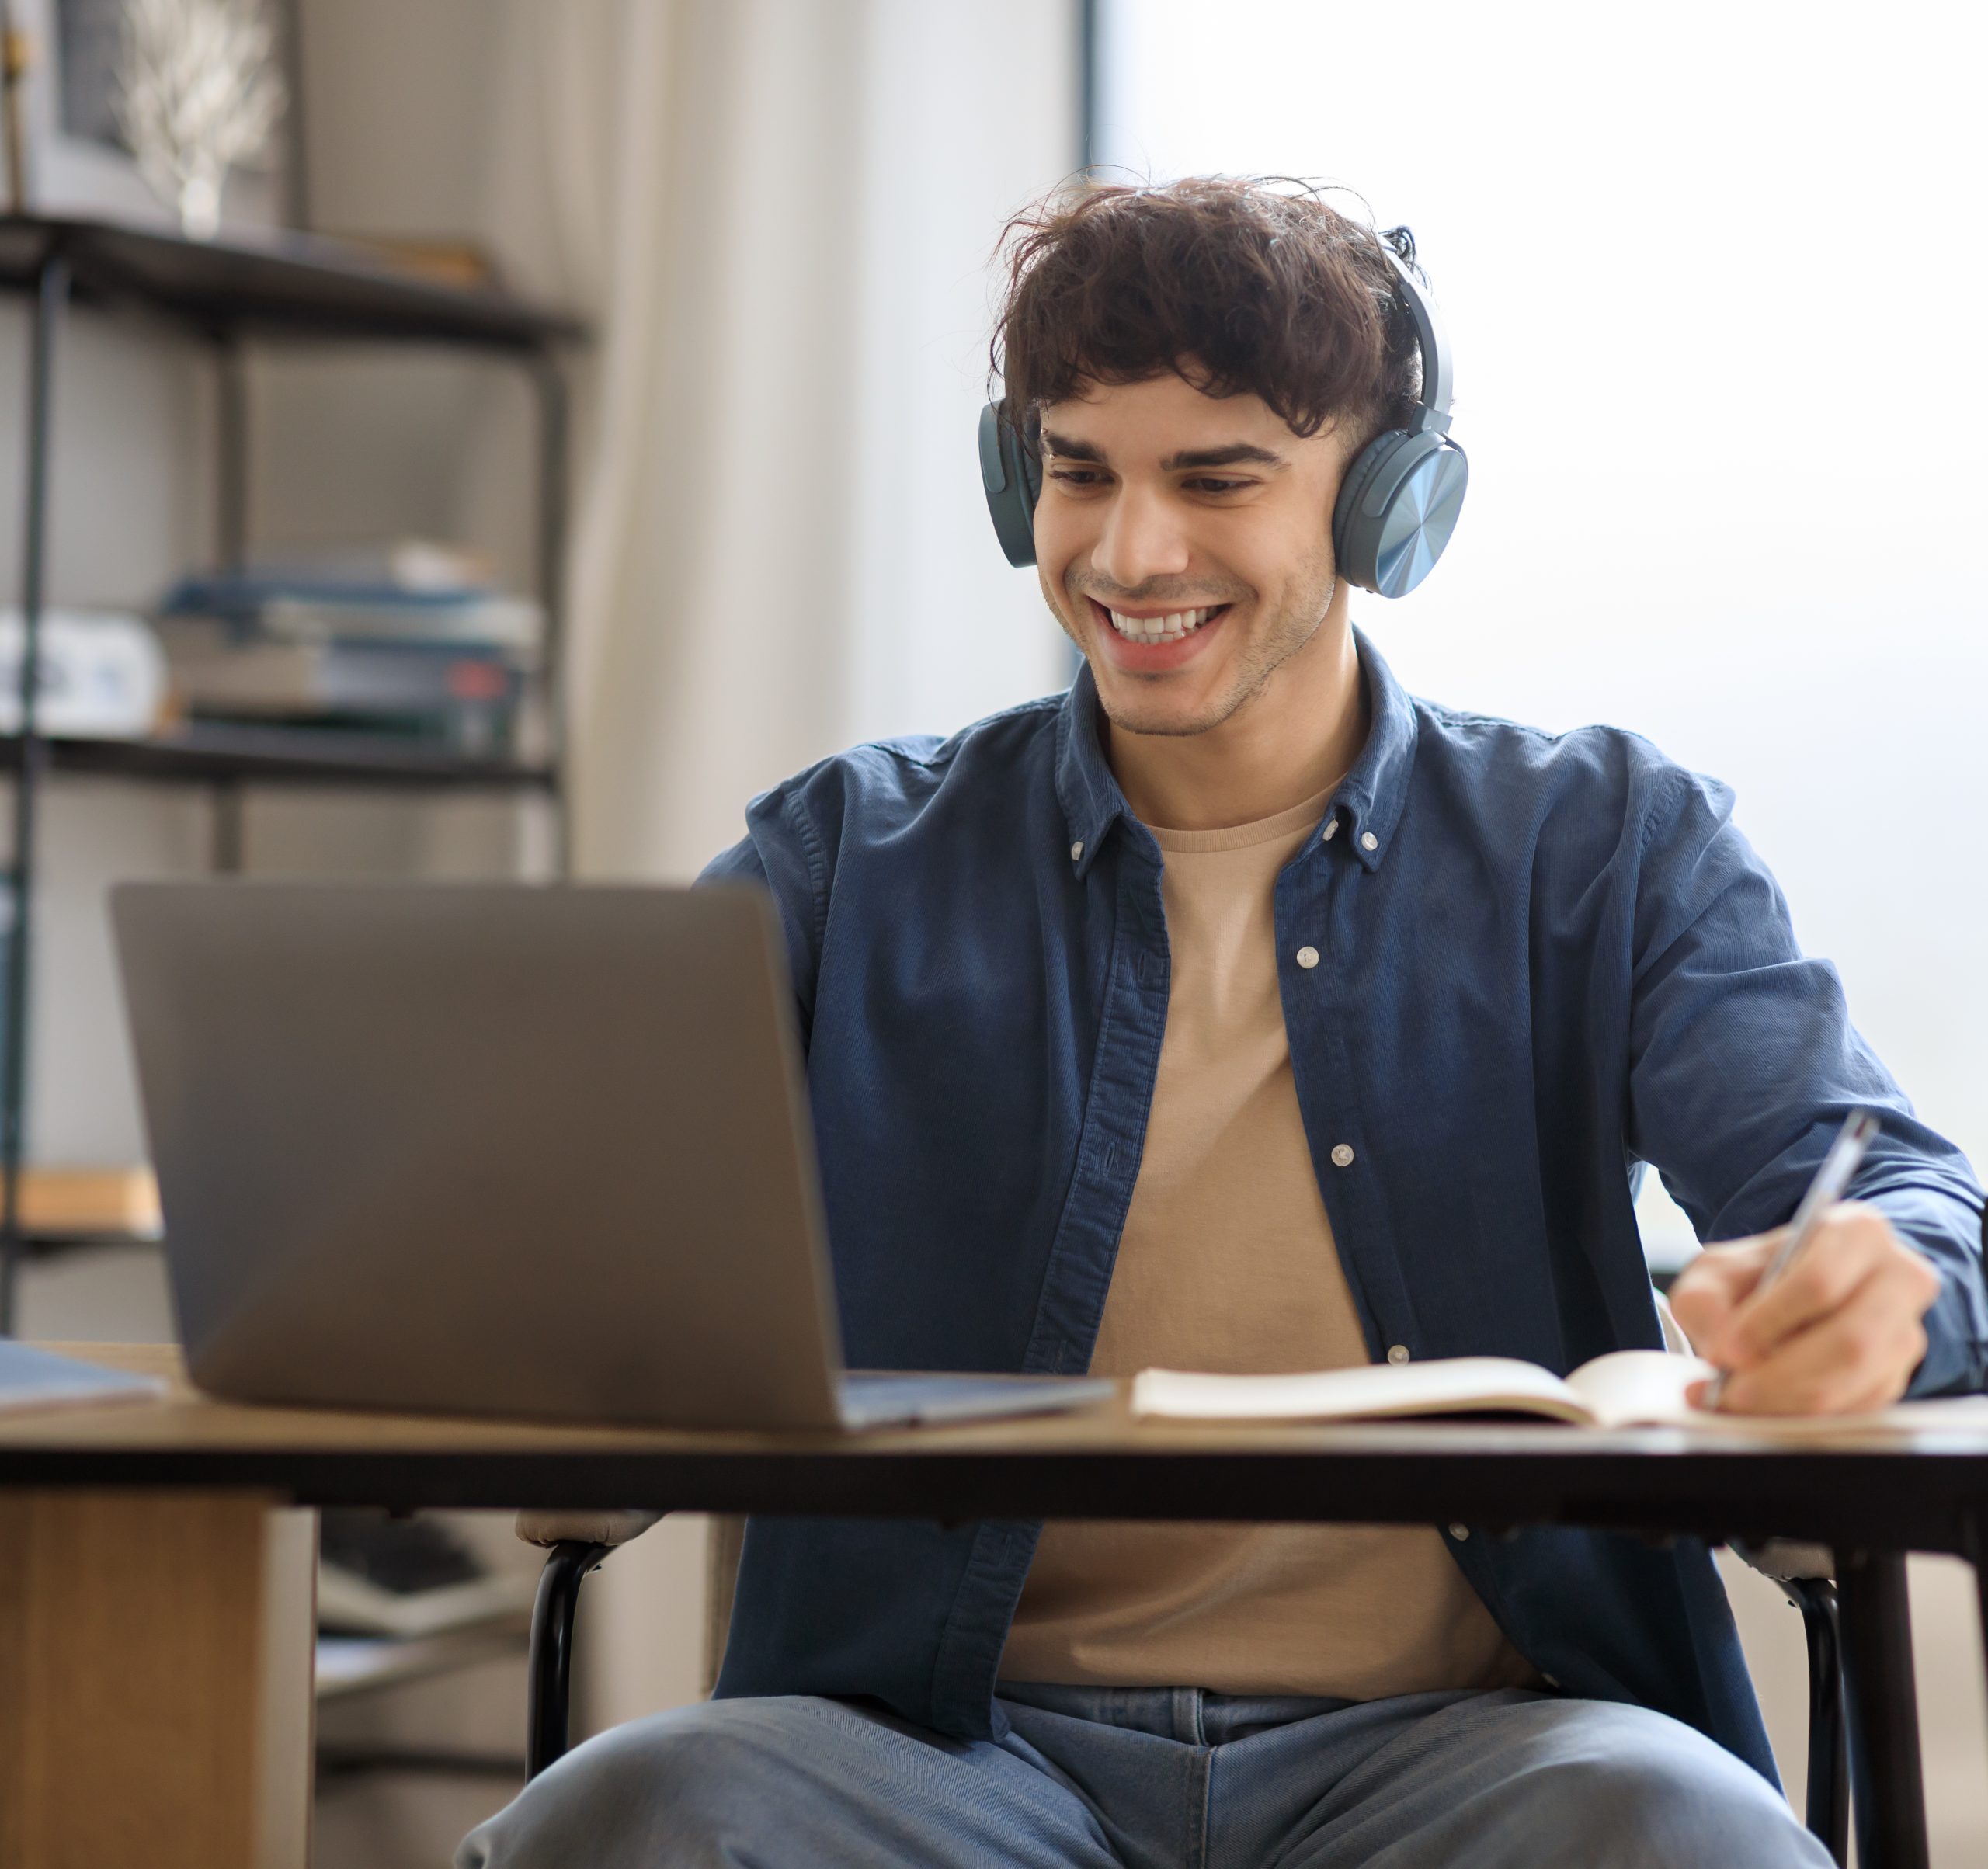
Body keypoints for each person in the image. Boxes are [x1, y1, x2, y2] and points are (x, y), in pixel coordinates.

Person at [460, 177, 1984, 1867]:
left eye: (1215, 479)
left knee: (1677, 1831)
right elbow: (565, 1229)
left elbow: (1904, 1199)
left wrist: (1880, 1293)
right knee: (639, 1816)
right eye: (1077, 471)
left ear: (1383, 513)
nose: (1128, 553)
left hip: (1479, 1752)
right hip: (945, 1762)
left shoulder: (1607, 849)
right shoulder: (839, 863)